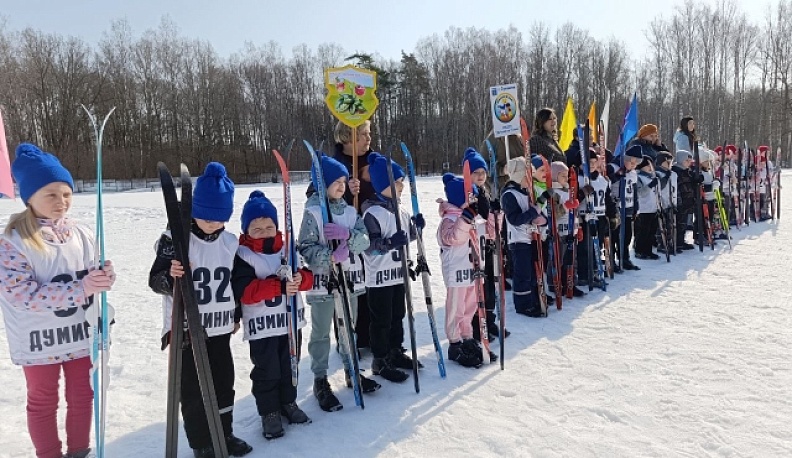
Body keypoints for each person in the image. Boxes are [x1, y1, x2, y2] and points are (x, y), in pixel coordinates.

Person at [0, 143, 115, 458]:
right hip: (39, 339)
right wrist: (82, 288)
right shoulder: (14, 242)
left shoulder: (81, 233)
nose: (61, 201)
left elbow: (93, 273)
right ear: (30, 198)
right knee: (43, 399)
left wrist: (103, 277)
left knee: (82, 395)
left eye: (66, 193)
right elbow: (21, 295)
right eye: (50, 194)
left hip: (79, 332)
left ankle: (79, 451)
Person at [148, 162, 252, 458]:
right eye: (205, 216)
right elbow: (155, 279)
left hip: (218, 328)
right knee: (193, 393)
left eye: (218, 218)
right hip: (185, 331)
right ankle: (201, 443)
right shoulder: (175, 239)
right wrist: (172, 276)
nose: (211, 223)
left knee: (223, 385)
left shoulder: (230, 243)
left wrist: (235, 314)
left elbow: (234, 282)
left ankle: (224, 433)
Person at [297, 154, 379, 414]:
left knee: (349, 329)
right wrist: (329, 255)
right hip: (323, 284)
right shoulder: (312, 212)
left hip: (348, 282)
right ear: (322, 184)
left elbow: (364, 240)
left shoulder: (350, 211)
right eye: (336, 181)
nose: (342, 185)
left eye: (344, 181)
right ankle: (320, 378)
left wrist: (348, 236)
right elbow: (306, 247)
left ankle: (351, 369)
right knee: (321, 332)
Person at [231, 190, 313, 439]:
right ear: (246, 231)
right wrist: (277, 286)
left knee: (290, 366)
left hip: (289, 324)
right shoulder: (244, 255)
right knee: (267, 371)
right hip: (263, 326)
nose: (265, 231)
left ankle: (288, 402)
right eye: (257, 228)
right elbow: (245, 291)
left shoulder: (288, 249)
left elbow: (307, 277)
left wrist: (301, 279)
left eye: (269, 226)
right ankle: (269, 411)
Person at [361, 152, 424, 382]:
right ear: (383, 185)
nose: (401, 186)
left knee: (398, 314)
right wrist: (388, 243)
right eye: (397, 182)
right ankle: (380, 359)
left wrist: (417, 229)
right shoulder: (372, 212)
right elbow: (368, 246)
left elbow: (408, 238)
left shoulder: (402, 210)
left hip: (399, 274)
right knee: (382, 319)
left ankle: (395, 350)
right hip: (379, 277)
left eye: (402, 182)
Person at [437, 174, 490, 368]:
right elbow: (452, 238)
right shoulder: (449, 219)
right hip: (457, 271)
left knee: (470, 306)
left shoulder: (474, 218)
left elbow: (491, 232)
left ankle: (467, 335)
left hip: (473, 270)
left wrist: (492, 213)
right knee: (456, 307)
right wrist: (466, 218)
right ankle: (455, 341)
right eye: (471, 198)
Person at [461, 148, 509, 342]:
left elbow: (489, 217)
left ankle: (489, 320)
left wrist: (496, 211)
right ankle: (476, 323)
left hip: (488, 244)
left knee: (489, 284)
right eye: (476, 173)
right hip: (474, 246)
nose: (481, 176)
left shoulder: (484, 191)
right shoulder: (467, 193)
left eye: (483, 172)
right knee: (478, 286)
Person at [501, 156, 548, 317]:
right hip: (518, 240)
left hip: (531, 237)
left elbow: (534, 210)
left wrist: (541, 219)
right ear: (519, 176)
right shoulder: (509, 194)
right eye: (528, 175)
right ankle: (523, 305)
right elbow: (514, 219)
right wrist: (533, 213)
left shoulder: (526, 192)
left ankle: (535, 297)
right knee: (523, 274)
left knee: (534, 271)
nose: (531, 179)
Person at [548, 161, 584, 297]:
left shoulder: (570, 191)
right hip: (559, 232)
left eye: (566, 175)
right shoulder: (553, 193)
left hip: (571, 230)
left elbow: (575, 212)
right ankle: (554, 283)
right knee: (557, 259)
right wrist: (565, 207)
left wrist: (579, 227)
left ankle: (570, 283)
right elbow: (552, 213)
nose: (566, 178)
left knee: (571, 260)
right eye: (562, 175)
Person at [607, 146, 643, 270]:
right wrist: (617, 175)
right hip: (616, 207)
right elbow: (605, 182)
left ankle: (625, 258)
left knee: (627, 235)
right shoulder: (613, 167)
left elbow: (634, 191)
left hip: (628, 207)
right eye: (631, 162)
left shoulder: (633, 173)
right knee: (615, 235)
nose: (633, 165)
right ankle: (611, 260)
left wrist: (635, 208)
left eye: (636, 163)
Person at [671, 151, 699, 250]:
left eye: (690, 161)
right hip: (680, 200)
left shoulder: (688, 171)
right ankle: (676, 241)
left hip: (688, 200)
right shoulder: (676, 171)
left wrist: (696, 180)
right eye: (686, 160)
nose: (689, 163)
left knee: (684, 223)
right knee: (678, 222)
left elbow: (691, 183)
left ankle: (681, 240)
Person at [634, 156, 660, 260]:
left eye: (651, 165)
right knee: (643, 231)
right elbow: (640, 193)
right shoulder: (638, 177)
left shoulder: (651, 176)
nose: (650, 167)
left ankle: (648, 250)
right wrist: (650, 186)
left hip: (653, 207)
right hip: (643, 209)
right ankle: (639, 250)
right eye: (647, 165)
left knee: (651, 231)